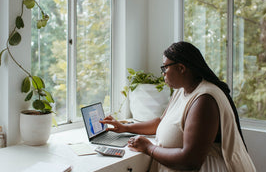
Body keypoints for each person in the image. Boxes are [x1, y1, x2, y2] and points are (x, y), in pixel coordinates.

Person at [100, 41, 256, 172]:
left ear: (181, 68)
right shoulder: (182, 90)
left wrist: (148, 148)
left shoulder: (204, 100)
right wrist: (124, 127)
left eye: (165, 68)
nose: (163, 73)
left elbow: (190, 161)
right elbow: (160, 123)